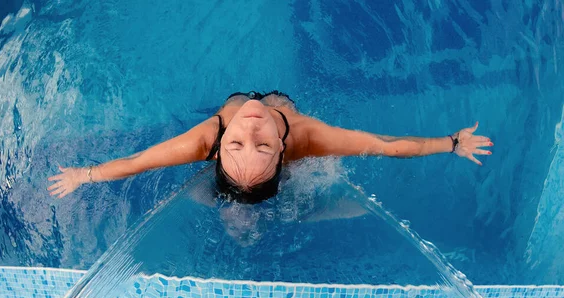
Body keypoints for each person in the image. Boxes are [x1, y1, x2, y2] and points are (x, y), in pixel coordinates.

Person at [48, 91, 493, 203]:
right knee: (245, 192)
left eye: (240, 141)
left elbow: (138, 162)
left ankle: (242, 204)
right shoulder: (305, 139)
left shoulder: (206, 138)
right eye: (258, 144)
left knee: (243, 191)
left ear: (218, 149)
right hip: (285, 107)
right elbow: (387, 146)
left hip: (240, 103)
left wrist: (84, 175)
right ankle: (243, 206)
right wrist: (450, 142)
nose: (253, 124)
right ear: (282, 153)